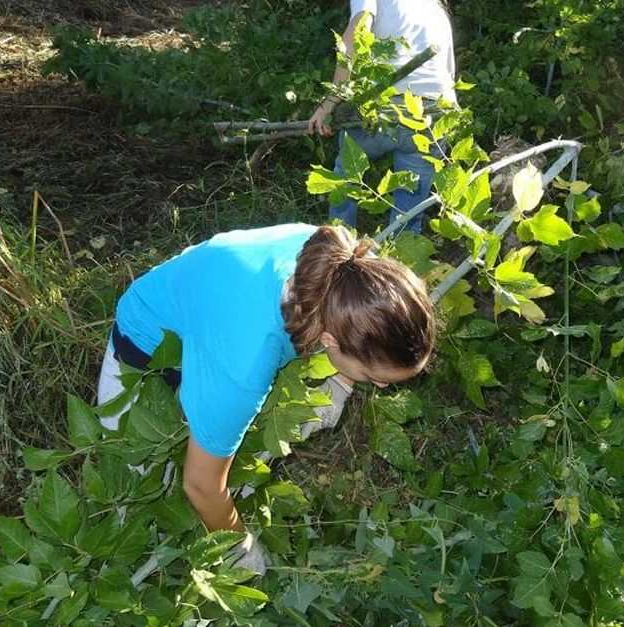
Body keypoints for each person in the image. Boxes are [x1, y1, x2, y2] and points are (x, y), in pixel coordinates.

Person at [95, 223, 437, 574]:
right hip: (147, 350)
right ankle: (124, 567)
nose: (379, 388)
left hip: (213, 314)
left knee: (214, 450)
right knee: (134, 484)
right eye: (371, 378)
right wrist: (239, 550)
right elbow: (201, 485)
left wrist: (343, 378)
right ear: (332, 339)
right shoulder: (245, 367)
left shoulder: (352, 272)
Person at [307, 0, 457, 233]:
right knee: (409, 214)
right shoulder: (434, 8)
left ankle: (335, 251)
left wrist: (330, 102)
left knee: (345, 182)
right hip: (435, 116)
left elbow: (357, 31)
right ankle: (399, 260)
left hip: (385, 109)